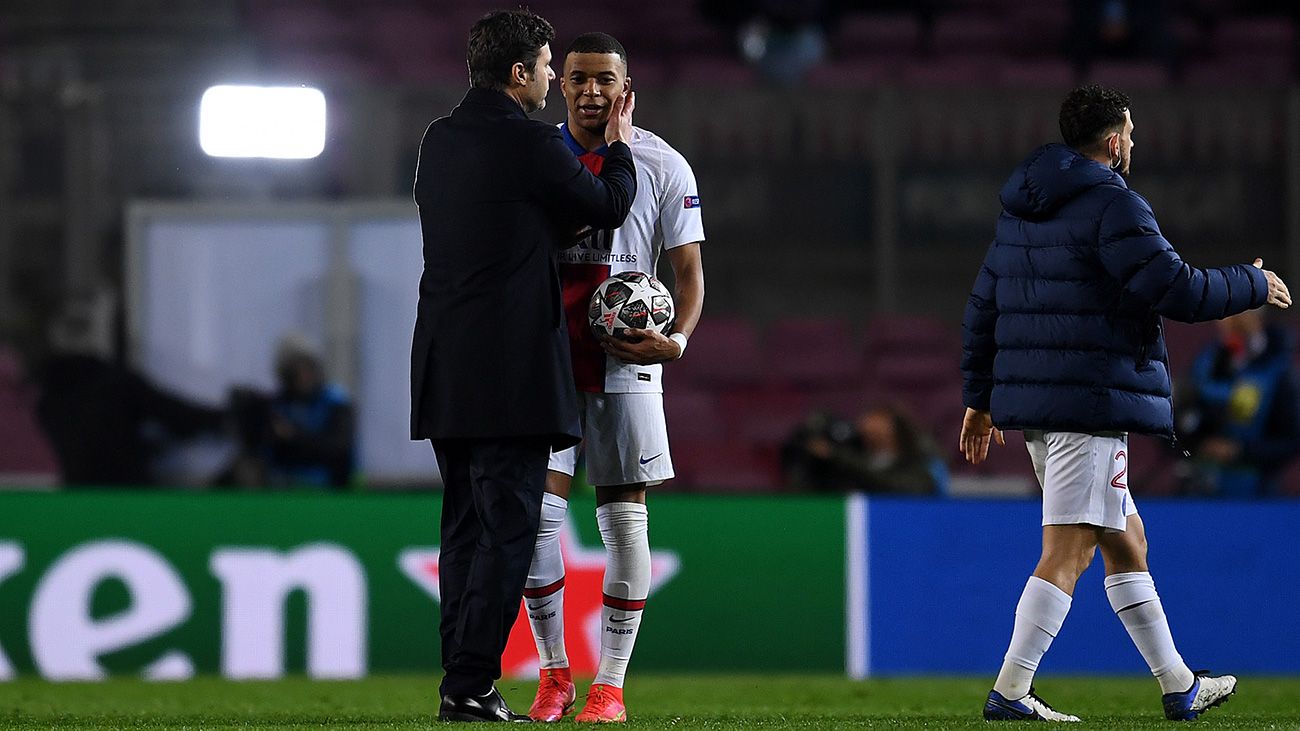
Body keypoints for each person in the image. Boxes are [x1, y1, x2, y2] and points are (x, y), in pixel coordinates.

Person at [959, 84, 1291, 722]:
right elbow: (1177, 289)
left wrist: (979, 399)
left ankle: (1178, 685)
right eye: (1131, 134)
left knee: (1125, 538)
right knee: (1070, 549)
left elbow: (984, 306)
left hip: (1039, 405)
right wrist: (1252, 282)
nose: (1133, 144)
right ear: (1114, 142)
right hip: (1091, 403)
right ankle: (1010, 691)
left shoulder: (1021, 208)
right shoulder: (1115, 206)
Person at [411, 9, 638, 723]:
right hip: (511, 372)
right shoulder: (532, 143)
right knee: (508, 531)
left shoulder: (438, 141)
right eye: (545, 66)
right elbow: (608, 203)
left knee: (462, 531)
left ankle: (460, 678)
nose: (550, 77)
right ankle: (472, 682)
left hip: (443, 362)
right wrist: (621, 145)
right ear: (519, 73)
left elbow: (494, 222)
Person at [521, 33, 705, 724]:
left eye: (605, 79)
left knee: (623, 516)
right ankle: (554, 673)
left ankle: (611, 686)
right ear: (560, 84)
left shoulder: (664, 163)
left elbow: (688, 272)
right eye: (579, 78)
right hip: (548, 360)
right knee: (538, 515)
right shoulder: (537, 158)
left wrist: (677, 339)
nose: (592, 90)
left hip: (627, 361)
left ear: (628, 87)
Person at [1175, 309, 1300, 497]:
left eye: (1237, 313)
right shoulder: (1208, 361)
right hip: (1199, 491)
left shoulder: (1279, 370)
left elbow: (1290, 440)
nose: (1228, 322)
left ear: (1256, 315)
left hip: (1255, 494)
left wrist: (1240, 451)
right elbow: (1181, 421)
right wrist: (1196, 444)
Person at [782, 405, 948, 494]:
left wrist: (836, 455)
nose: (868, 425)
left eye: (879, 420)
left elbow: (907, 487)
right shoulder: (853, 455)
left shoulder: (917, 463)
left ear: (893, 427)